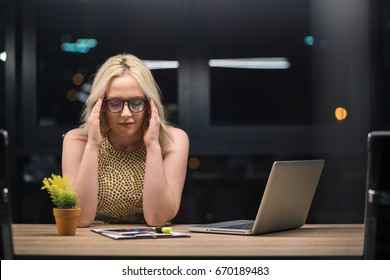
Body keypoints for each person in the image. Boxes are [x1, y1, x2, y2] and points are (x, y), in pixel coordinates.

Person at [62, 53, 189, 227]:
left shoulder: (173, 140)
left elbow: (157, 219)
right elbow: (80, 219)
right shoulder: (77, 140)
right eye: (115, 103)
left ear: (150, 104)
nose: (126, 113)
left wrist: (153, 146)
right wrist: (92, 146)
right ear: (101, 105)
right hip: (93, 244)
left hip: (152, 246)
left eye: (136, 103)